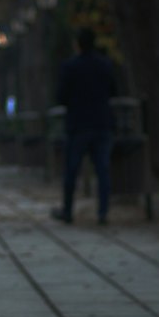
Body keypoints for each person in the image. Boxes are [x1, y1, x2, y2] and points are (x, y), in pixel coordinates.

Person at [52, 27, 117, 226]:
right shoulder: (105, 65)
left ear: (78, 44)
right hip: (101, 123)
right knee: (102, 170)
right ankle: (103, 211)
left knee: (72, 169)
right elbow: (114, 90)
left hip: (78, 124)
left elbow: (61, 96)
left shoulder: (70, 67)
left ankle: (68, 210)